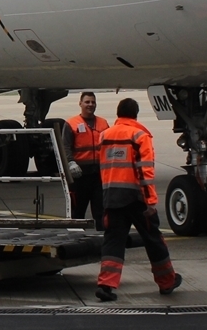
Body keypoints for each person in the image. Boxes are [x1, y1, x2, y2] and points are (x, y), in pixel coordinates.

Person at [95, 98, 182, 301]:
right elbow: (145, 171)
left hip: (112, 197)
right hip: (136, 198)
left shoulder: (104, 136)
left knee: (113, 241)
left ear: (118, 114)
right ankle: (167, 281)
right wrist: (150, 200)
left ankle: (106, 285)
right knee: (152, 239)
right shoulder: (140, 135)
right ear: (136, 114)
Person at [65, 91, 109, 228]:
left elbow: (109, 145)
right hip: (80, 175)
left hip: (98, 175)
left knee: (100, 211)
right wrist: (70, 162)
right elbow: (65, 146)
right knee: (78, 211)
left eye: (93, 102)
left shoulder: (103, 123)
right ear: (80, 104)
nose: (90, 105)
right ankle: (77, 242)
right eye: (87, 102)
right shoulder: (71, 123)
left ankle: (102, 241)